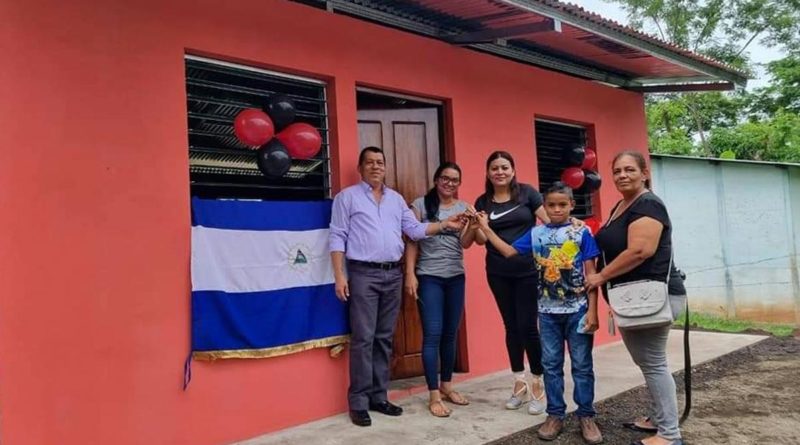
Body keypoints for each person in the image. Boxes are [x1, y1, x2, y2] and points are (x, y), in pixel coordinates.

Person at [329, 147, 464, 427]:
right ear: (360, 167)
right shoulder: (347, 198)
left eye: (380, 162)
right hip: (363, 274)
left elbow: (414, 230)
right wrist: (339, 276)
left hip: (393, 274)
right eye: (370, 162)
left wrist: (444, 225)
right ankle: (359, 402)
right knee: (364, 338)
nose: (375, 167)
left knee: (384, 338)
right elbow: (337, 235)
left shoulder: (396, 200)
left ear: (386, 167)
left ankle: (379, 397)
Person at [477, 182, 603, 444]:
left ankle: (586, 415)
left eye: (562, 205)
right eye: (551, 205)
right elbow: (509, 251)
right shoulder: (535, 235)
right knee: (551, 365)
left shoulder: (582, 234)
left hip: (577, 311)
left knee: (582, 365)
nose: (556, 210)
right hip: (546, 313)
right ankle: (555, 413)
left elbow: (592, 276)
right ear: (543, 207)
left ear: (572, 206)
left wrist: (593, 312)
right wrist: (486, 228)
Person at [586, 150, 684, 445]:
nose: (622, 176)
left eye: (629, 170)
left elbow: (641, 250)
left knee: (653, 363)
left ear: (644, 173)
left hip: (654, 297)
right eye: (617, 171)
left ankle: (669, 434)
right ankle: (657, 419)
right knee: (647, 362)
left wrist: (600, 277)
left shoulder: (649, 205)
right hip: (633, 300)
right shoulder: (623, 205)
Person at [461, 150, 549, 414]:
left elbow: (549, 219)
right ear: (488, 173)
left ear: (513, 170)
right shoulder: (483, 201)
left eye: (504, 167)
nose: (500, 172)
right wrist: (475, 224)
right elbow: (474, 241)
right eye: (494, 168)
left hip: (527, 270)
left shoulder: (528, 193)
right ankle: (519, 384)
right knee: (510, 327)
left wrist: (572, 223)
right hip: (498, 272)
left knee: (528, 327)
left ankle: (537, 385)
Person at [404, 162, 473, 418]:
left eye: (455, 180)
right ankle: (433, 394)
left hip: (456, 276)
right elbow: (411, 240)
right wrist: (410, 274)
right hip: (429, 277)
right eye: (445, 178)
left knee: (450, 333)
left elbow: (465, 243)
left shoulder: (463, 207)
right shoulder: (420, 205)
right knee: (432, 333)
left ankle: (446, 386)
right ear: (436, 179)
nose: (449, 183)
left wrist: (474, 226)